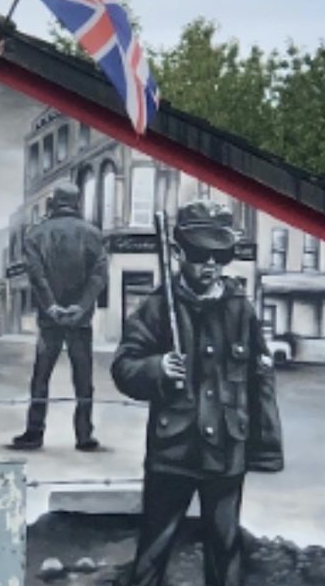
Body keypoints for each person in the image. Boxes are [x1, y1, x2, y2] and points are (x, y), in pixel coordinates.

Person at [112, 202, 281, 586]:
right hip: (172, 453)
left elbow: (260, 378)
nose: (210, 264)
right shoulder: (156, 307)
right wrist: (155, 368)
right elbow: (124, 366)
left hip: (226, 454)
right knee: (154, 549)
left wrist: (265, 448)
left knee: (225, 551)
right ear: (177, 253)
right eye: (199, 254)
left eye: (219, 256)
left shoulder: (241, 308)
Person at [11, 184, 109, 451]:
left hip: (49, 320)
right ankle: (84, 434)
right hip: (81, 321)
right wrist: (81, 306)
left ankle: (34, 432)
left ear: (52, 204)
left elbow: (36, 275)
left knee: (41, 377)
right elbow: (99, 277)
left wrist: (51, 306)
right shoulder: (93, 234)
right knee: (83, 379)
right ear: (77, 203)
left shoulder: (35, 234)